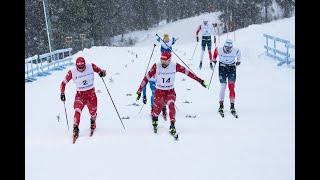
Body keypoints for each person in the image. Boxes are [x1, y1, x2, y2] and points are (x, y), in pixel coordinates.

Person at [136, 51, 207, 135]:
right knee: (156, 111)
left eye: (165, 61)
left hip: (170, 91)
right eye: (162, 60)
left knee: (171, 105)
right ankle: (155, 119)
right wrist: (139, 91)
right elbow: (146, 78)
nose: (163, 62)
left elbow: (188, 73)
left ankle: (172, 125)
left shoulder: (174, 66)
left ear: (169, 60)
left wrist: (200, 81)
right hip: (159, 92)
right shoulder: (156, 66)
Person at [60, 56, 106, 142]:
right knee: (77, 110)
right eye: (79, 67)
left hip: (91, 94)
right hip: (80, 95)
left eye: (82, 67)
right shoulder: (72, 72)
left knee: (93, 112)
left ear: (85, 64)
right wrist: (62, 93)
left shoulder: (91, 66)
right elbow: (63, 83)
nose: (81, 69)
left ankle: (93, 121)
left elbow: (102, 71)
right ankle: (75, 128)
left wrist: (102, 73)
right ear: (76, 66)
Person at [212, 39, 241, 115]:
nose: (228, 49)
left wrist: (238, 61)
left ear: (232, 47)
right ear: (224, 46)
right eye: (226, 47)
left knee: (231, 87)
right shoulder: (219, 49)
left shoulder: (236, 50)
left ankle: (232, 105)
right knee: (223, 86)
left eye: (229, 48)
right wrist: (214, 59)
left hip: (232, 68)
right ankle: (221, 105)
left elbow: (239, 54)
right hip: (222, 68)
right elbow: (215, 52)